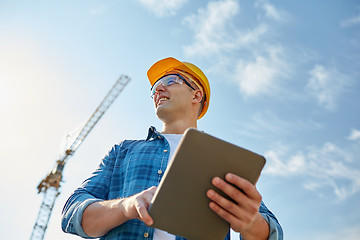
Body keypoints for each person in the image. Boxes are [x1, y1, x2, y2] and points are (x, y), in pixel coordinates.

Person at [61, 57, 283, 240]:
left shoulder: (223, 162)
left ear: (196, 95)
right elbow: (72, 213)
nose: (158, 88)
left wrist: (250, 222)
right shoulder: (123, 151)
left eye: (170, 80)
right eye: (154, 88)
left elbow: (272, 233)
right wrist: (126, 206)